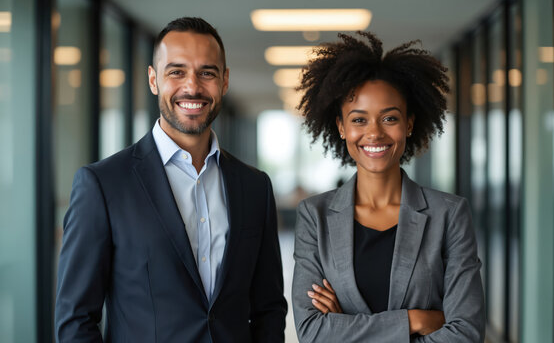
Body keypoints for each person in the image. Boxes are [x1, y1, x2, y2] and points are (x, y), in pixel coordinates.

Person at [55, 17, 287, 343]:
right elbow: (76, 319)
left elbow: (269, 308)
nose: (192, 86)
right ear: (153, 79)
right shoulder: (103, 185)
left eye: (207, 72)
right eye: (176, 72)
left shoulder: (255, 187)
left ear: (225, 81)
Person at [292, 31, 485, 342]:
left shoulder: (449, 215)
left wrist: (347, 327)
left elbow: (465, 334)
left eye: (389, 118)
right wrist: (415, 319)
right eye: (358, 120)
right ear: (341, 127)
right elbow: (313, 332)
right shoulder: (315, 216)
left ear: (408, 124)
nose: (374, 133)